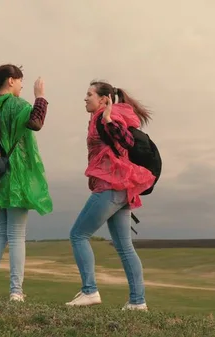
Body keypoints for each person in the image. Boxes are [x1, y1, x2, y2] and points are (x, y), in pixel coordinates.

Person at [66, 80, 155, 311]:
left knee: (78, 235)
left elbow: (126, 140)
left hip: (110, 186)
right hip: (122, 189)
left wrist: (107, 119)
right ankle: (138, 301)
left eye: (89, 95)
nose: (85, 99)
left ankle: (89, 291)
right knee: (125, 247)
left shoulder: (105, 117)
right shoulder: (103, 117)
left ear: (103, 99)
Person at [0, 64, 53, 302]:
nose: (21, 85)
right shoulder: (18, 105)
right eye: (20, 81)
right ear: (10, 81)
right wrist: (40, 97)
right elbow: (36, 123)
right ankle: (16, 292)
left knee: (0, 234)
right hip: (15, 178)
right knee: (17, 235)